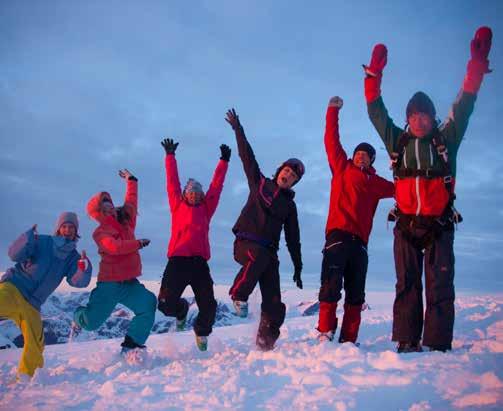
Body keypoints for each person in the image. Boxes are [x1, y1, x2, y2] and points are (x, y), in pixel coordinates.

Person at [363, 27, 493, 352]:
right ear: (408, 119)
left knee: (440, 286)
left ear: (433, 118)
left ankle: (437, 344)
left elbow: (464, 106)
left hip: (440, 226)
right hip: (406, 225)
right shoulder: (398, 141)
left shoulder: (446, 139)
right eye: (414, 116)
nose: (419, 121)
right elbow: (376, 112)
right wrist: (373, 76)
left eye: (425, 115)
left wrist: (476, 67)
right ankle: (407, 341)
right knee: (406, 285)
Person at [316, 96, 395, 343]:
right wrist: (332, 111)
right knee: (330, 286)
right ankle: (325, 331)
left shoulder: (376, 183)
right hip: (337, 237)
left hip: (360, 243)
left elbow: (402, 189)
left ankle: (349, 339)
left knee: (356, 295)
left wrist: (402, 165)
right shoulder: (342, 167)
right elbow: (331, 140)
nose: (361, 157)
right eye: (359, 153)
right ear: (353, 156)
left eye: (367, 155)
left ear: (372, 160)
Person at [225, 108, 304, 351]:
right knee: (258, 256)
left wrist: (298, 267)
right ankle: (239, 295)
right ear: (280, 171)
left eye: (293, 176)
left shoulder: (289, 207)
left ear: (294, 183)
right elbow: (246, 156)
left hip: (268, 254)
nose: (288, 175)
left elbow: (293, 239)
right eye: (287, 171)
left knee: (275, 302)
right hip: (246, 245)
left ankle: (265, 342)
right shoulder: (260, 184)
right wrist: (238, 128)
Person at [73, 169, 156, 361]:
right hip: (109, 283)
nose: (110, 207)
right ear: (98, 212)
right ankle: (78, 316)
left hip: (128, 283)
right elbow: (114, 247)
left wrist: (132, 181)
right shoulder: (100, 232)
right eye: (104, 206)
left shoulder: (126, 223)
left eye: (110, 203)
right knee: (92, 323)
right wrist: (138, 243)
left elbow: (131, 203)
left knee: (148, 304)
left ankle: (131, 346)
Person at [157, 138, 230, 351]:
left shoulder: (206, 209)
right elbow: (172, 182)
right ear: (185, 194)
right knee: (165, 304)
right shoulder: (177, 205)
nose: (195, 195)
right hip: (177, 262)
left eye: (198, 193)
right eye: (191, 192)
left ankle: (201, 330)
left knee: (209, 307)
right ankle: (181, 311)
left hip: (199, 263)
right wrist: (170, 156)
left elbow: (217, 186)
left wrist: (223, 162)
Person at [0, 212, 92, 380]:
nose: (67, 230)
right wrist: (27, 239)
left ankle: (25, 378)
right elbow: (13, 255)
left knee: (36, 343)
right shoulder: (42, 241)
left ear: (76, 230)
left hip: (32, 304)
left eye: (71, 227)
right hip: (14, 288)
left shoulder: (73, 257)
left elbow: (77, 282)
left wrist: (83, 269)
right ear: (58, 228)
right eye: (64, 226)